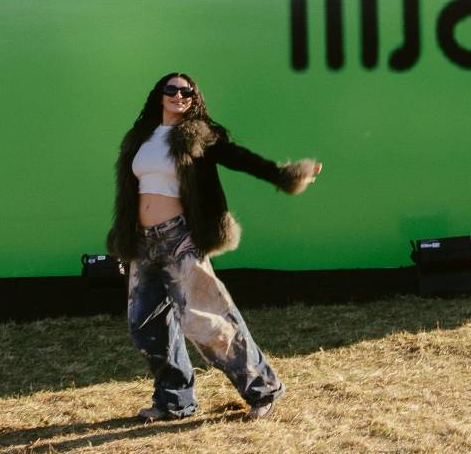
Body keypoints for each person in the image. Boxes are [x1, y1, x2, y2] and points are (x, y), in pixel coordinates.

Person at [108, 72, 322, 420]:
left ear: (194, 98)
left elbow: (240, 158)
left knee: (207, 320)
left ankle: (262, 388)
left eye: (186, 91)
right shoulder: (141, 139)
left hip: (179, 239)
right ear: (159, 95)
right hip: (143, 242)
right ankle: (175, 400)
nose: (179, 95)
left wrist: (284, 175)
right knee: (144, 324)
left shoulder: (200, 137)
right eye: (172, 89)